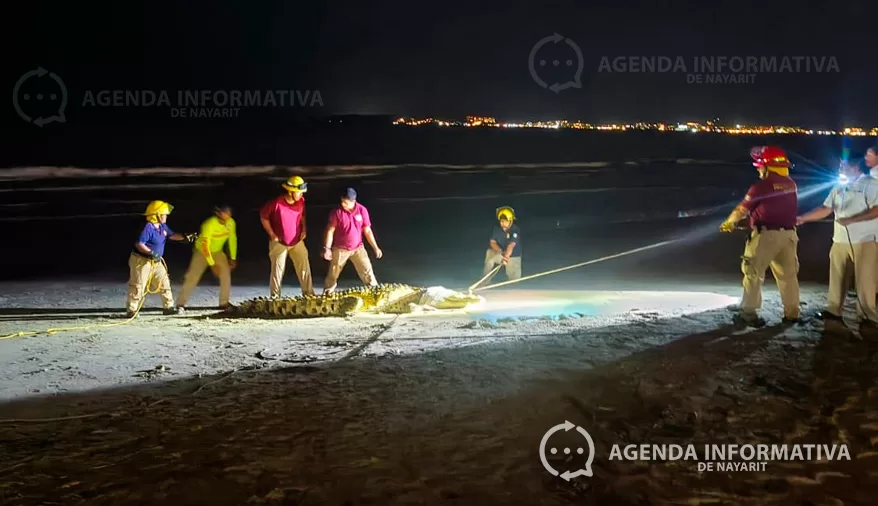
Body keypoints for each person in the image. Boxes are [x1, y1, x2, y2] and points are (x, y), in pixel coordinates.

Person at [719, 146, 799, 327]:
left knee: (753, 273)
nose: (758, 169)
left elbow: (742, 209)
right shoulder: (790, 183)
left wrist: (728, 223)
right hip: (789, 236)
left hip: (765, 236)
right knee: (788, 276)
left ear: (767, 166)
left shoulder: (760, 186)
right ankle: (792, 314)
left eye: (760, 166)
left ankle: (749, 312)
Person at [797, 159, 878, 326]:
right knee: (838, 276)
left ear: (855, 166)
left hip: (865, 240)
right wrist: (802, 218)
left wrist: (852, 220)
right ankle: (834, 310)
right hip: (839, 240)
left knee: (866, 279)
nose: (840, 168)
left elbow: (876, 210)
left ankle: (867, 315)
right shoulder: (839, 186)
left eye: (843, 166)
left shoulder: (871, 184)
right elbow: (826, 208)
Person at [126, 200, 194, 317]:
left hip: (156, 261)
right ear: (156, 214)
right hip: (141, 261)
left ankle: (168, 307)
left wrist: (185, 237)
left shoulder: (162, 226)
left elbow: (171, 235)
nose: (166, 216)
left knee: (164, 283)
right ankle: (132, 309)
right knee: (138, 285)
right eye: (164, 214)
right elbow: (139, 244)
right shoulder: (148, 227)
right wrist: (151, 252)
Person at [176, 204, 238, 310]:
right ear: (218, 213)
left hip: (217, 251)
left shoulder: (231, 223)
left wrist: (233, 257)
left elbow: (232, 239)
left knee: (225, 274)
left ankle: (224, 302)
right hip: (202, 251)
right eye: (225, 212)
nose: (228, 215)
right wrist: (212, 264)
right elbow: (205, 245)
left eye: (229, 213)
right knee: (193, 277)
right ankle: (180, 303)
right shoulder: (209, 224)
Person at [260, 175, 314, 297]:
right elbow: (263, 217)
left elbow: (302, 216)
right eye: (299, 192)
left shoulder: (301, 201)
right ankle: (275, 297)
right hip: (279, 243)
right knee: (277, 272)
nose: (301, 195)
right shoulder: (276, 203)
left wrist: (304, 229)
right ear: (290, 191)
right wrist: (272, 234)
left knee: (304, 268)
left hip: (297, 241)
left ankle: (309, 294)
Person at [322, 187, 383, 294]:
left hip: (358, 248)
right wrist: (327, 248)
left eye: (345, 202)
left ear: (353, 201)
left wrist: (375, 247)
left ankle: (375, 293)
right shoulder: (336, 212)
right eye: (342, 201)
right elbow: (330, 231)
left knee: (367, 270)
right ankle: (327, 293)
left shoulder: (362, 210)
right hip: (340, 249)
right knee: (333, 273)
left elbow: (367, 231)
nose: (343, 204)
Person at [484, 206, 522, 280]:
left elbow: (511, 245)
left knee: (514, 280)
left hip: (513, 256)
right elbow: (492, 242)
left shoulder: (515, 230)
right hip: (501, 253)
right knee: (489, 252)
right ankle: (485, 280)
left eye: (505, 221)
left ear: (510, 221)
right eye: (501, 221)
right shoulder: (497, 229)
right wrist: (500, 251)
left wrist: (506, 257)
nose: (503, 223)